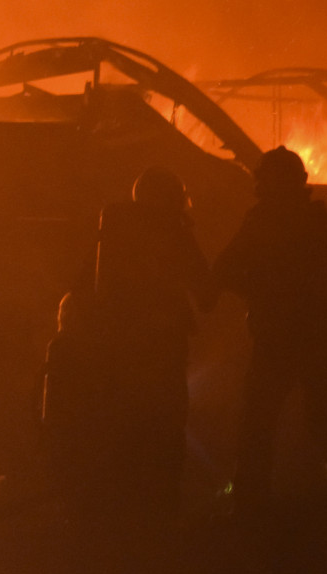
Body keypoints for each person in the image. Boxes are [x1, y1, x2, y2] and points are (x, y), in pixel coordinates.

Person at [214, 146, 327, 516]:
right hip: (316, 331)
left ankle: (250, 498)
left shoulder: (262, 220)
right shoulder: (320, 221)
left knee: (259, 418)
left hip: (276, 334)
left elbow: (224, 269)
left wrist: (258, 293)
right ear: (300, 181)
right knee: (326, 414)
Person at [90, 167, 215, 520]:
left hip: (119, 345)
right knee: (167, 424)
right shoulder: (173, 233)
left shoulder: (113, 230)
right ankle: (163, 509)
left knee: (124, 422)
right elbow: (205, 293)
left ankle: (120, 508)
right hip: (164, 345)